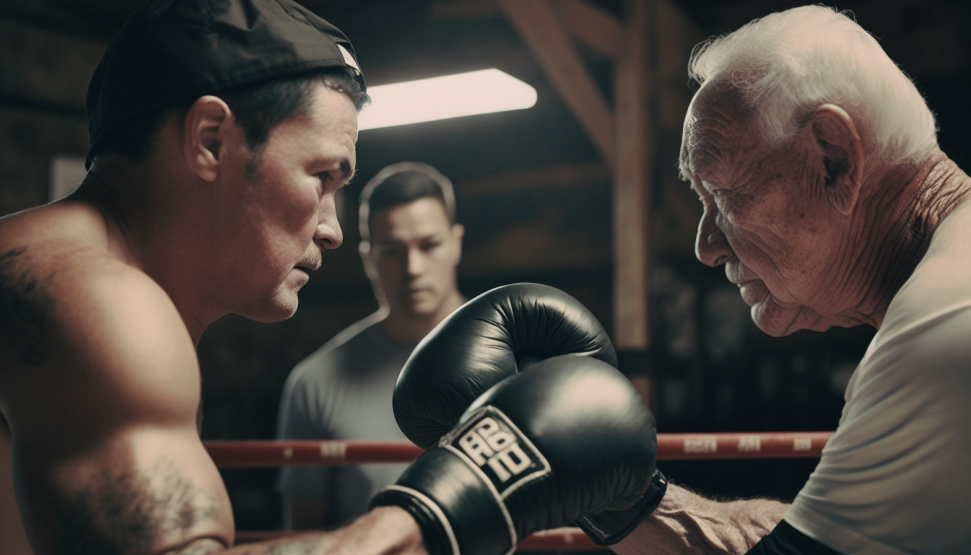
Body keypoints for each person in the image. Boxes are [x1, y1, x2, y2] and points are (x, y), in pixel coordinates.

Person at [0, 0, 655, 553]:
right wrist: (458, 496)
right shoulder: (97, 300)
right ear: (209, 141)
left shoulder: (69, 277)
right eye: (321, 177)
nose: (333, 229)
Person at [606, 6, 971, 555]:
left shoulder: (943, 325)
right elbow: (823, 541)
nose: (706, 246)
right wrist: (614, 496)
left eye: (724, 195)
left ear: (833, 160)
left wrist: (584, 471)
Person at [276, 162, 466, 530]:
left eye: (429, 245)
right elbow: (302, 535)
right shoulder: (316, 382)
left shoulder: (520, 362)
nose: (413, 267)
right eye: (393, 250)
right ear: (369, 259)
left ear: (456, 243)